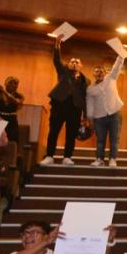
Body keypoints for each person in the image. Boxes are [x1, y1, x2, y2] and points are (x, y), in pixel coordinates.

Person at [41, 36, 89, 166]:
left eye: (77, 62)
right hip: (59, 106)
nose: (74, 63)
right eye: (72, 61)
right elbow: (57, 60)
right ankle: (49, 156)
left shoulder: (86, 80)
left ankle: (67, 156)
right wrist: (57, 44)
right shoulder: (63, 72)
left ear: (81, 66)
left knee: (71, 133)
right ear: (68, 64)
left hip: (75, 109)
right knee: (54, 131)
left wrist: (85, 116)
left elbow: (86, 99)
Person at [86, 55, 125, 167]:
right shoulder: (90, 89)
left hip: (114, 114)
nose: (99, 73)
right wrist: (90, 118)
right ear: (93, 74)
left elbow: (117, 66)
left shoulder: (111, 78)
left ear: (105, 73)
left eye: (101, 71)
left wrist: (120, 55)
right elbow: (90, 104)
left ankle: (112, 159)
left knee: (114, 138)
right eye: (96, 72)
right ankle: (99, 159)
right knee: (100, 140)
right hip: (99, 117)